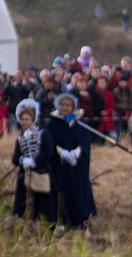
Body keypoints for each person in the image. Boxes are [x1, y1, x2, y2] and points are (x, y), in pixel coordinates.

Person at [45, 93, 97, 228]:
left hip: (76, 167)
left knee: (78, 190)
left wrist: (76, 153)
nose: (64, 107)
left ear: (73, 107)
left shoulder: (79, 122)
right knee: (61, 191)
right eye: (62, 105)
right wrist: (62, 153)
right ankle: (62, 219)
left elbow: (85, 140)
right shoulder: (52, 124)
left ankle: (80, 219)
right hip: (60, 166)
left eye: (67, 105)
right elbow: (49, 141)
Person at [11, 99, 57, 224]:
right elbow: (15, 158)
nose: (24, 122)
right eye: (23, 119)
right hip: (25, 174)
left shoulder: (43, 134)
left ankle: (45, 224)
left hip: (41, 171)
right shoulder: (20, 138)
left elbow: (48, 151)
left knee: (43, 199)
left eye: (27, 119)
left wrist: (35, 161)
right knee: (24, 200)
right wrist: (22, 160)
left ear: (33, 120)